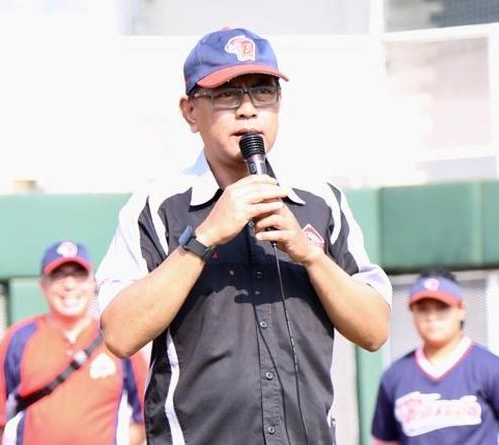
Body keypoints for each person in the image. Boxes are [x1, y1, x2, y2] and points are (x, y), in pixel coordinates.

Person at [96, 27, 392, 444]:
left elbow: (375, 331)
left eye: (262, 92)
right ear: (190, 112)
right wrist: (203, 238)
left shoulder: (320, 200)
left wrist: (310, 256)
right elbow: (120, 335)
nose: (248, 110)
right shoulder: (156, 206)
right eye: (227, 95)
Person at [0, 240, 148, 445]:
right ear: (43, 285)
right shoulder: (18, 338)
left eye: (78, 275)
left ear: (92, 283)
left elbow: (146, 414)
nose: (69, 285)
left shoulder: (116, 337)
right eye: (58, 275)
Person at [371, 269, 499, 445]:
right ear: (412, 313)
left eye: (442, 307)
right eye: (423, 309)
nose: (432, 317)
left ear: (461, 310)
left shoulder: (491, 368)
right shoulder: (395, 376)